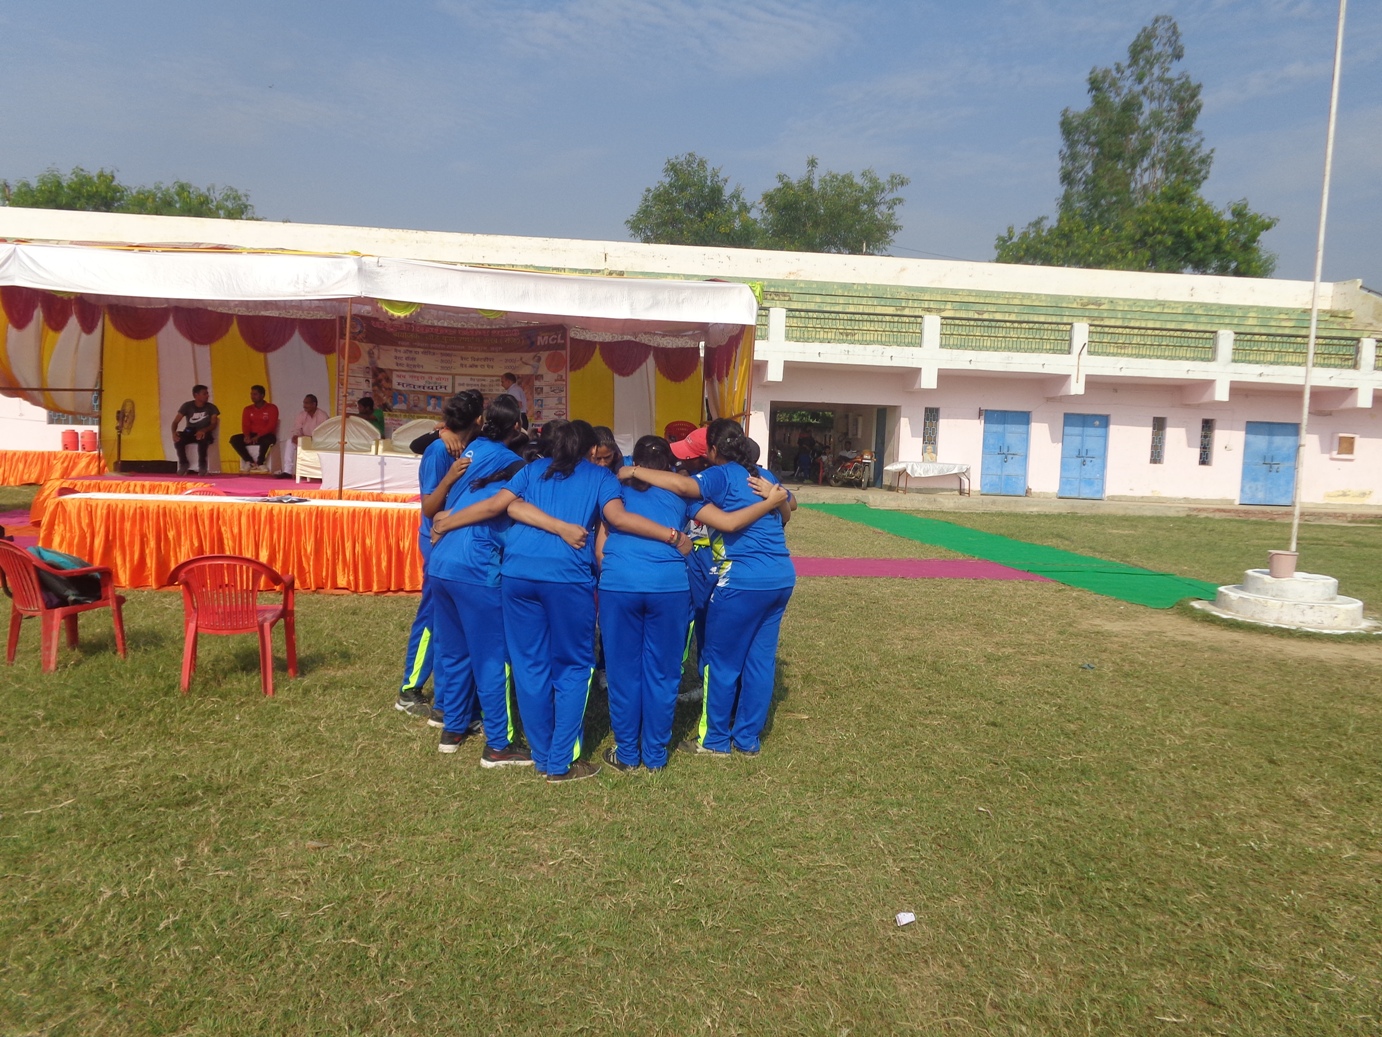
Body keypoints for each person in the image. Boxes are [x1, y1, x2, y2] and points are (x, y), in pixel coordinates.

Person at [449, 421, 690, 783]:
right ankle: (560, 762)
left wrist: (445, 523)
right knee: (575, 666)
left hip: (518, 576)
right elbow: (617, 518)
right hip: (567, 578)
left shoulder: (530, 470)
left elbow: (499, 505)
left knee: (530, 666)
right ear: (591, 449)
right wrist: (672, 536)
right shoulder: (600, 477)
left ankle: (543, 754)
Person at [598, 435, 786, 772]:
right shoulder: (680, 494)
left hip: (620, 584)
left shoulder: (613, 487)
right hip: (669, 587)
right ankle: (655, 756)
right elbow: (728, 522)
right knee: (664, 672)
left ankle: (627, 754)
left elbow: (601, 546)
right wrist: (774, 502)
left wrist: (615, 571)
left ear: (630, 462)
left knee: (624, 671)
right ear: (670, 466)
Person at [427, 394, 533, 765]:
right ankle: (498, 744)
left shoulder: (470, 481)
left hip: (441, 568)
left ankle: (453, 728)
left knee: (454, 652)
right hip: (475, 573)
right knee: (492, 658)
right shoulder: (505, 496)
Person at [394, 391, 478, 721]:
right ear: (477, 418)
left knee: (447, 621)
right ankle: (410, 687)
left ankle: (448, 695)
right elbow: (430, 501)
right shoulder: (438, 450)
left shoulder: (465, 442)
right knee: (432, 617)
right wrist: (441, 434)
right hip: (437, 541)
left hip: (453, 542)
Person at [170, 385, 220, 475]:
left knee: (202, 438)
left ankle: (202, 465)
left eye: (207, 393)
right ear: (196, 395)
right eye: (204, 394)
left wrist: (204, 430)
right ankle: (184, 463)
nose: (207, 395)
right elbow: (175, 422)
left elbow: (213, 424)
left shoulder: (211, 408)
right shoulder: (187, 406)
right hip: (190, 432)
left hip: (206, 432)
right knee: (179, 439)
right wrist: (174, 433)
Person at [229, 385, 280, 473]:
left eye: (255, 394)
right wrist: (247, 436)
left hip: (266, 435)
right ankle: (249, 461)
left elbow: (271, 425)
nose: (252, 396)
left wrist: (258, 436)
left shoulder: (272, 408)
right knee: (234, 439)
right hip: (252, 435)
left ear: (262, 395)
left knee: (267, 440)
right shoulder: (248, 409)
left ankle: (260, 463)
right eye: (251, 394)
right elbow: (245, 424)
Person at [281, 394, 329, 478]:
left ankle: (319, 473)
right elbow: (296, 428)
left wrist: (310, 438)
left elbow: (324, 433)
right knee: (290, 442)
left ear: (314, 404)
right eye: (304, 403)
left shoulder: (322, 415)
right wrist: (295, 436)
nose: (304, 406)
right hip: (304, 440)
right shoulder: (302, 414)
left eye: (307, 403)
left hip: (317, 441)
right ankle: (287, 472)